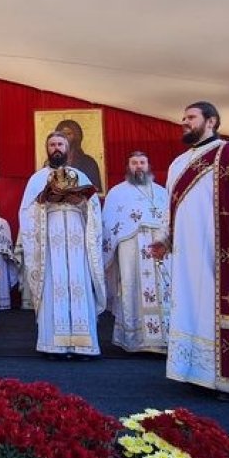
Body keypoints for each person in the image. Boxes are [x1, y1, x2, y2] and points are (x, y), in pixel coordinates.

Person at [151, 101, 229, 400]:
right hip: (187, 254)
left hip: (223, 252)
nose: (184, 122)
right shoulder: (178, 164)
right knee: (192, 309)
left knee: (225, 310)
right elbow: (171, 207)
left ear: (212, 121)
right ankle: (198, 373)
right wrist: (163, 239)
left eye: (191, 117)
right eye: (183, 117)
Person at [18, 132, 106, 358]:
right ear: (47, 149)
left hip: (77, 238)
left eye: (60, 144)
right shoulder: (37, 178)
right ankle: (53, 345)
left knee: (79, 284)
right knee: (52, 285)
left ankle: (83, 345)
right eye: (52, 145)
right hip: (50, 240)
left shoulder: (81, 176)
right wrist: (44, 201)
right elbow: (26, 212)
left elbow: (94, 209)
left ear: (68, 148)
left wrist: (81, 202)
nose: (56, 148)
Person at [102, 151, 171, 353]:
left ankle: (163, 339)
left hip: (159, 246)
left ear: (148, 165)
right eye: (134, 163)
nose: (138, 166)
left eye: (142, 162)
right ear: (128, 166)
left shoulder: (162, 192)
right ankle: (134, 340)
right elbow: (108, 224)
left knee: (163, 289)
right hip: (130, 248)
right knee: (130, 285)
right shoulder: (117, 193)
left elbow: (170, 219)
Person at [54, 119, 103, 188]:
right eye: (62, 134)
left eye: (68, 134)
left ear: (76, 136)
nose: (65, 137)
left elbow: (95, 189)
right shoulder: (51, 162)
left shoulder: (88, 162)